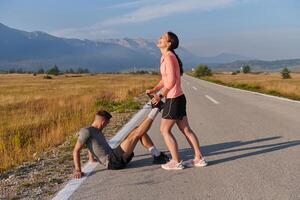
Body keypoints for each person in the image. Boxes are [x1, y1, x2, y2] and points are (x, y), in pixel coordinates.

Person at [146, 31, 207, 170]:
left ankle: (176, 161)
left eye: (163, 38)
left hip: (173, 99)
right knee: (186, 129)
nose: (159, 38)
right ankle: (199, 158)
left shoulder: (168, 57)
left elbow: (172, 81)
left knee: (164, 130)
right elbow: (165, 78)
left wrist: (160, 96)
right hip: (178, 98)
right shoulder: (167, 56)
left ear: (169, 43)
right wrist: (155, 89)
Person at [73, 106, 168, 178]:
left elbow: (91, 144)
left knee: (136, 129)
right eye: (107, 122)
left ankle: (157, 155)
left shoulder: (96, 131)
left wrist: (91, 159)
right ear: (103, 121)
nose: (107, 124)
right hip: (113, 161)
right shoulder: (86, 131)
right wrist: (78, 169)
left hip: (114, 156)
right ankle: (156, 109)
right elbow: (76, 150)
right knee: (137, 133)